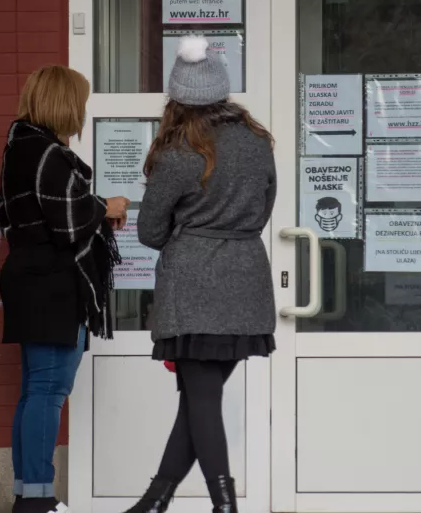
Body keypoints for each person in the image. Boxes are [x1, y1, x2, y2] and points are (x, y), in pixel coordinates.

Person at [126, 36, 277, 513]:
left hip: (191, 288)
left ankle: (223, 506)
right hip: (247, 283)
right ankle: (155, 501)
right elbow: (264, 209)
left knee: (201, 401)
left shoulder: (178, 153)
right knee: (199, 400)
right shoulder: (258, 143)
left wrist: (189, 227)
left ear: (177, 100)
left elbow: (150, 231)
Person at [0, 65, 128, 513]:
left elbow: (13, 217)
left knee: (35, 390)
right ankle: (38, 501)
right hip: (52, 283)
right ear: (66, 103)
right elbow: (69, 222)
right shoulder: (48, 154)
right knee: (48, 391)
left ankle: (27, 495)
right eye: (81, 101)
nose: (83, 111)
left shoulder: (19, 148)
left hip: (29, 277)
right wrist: (105, 206)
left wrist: (92, 208)